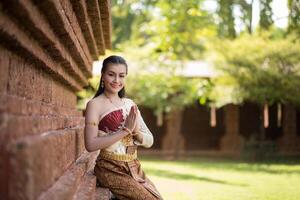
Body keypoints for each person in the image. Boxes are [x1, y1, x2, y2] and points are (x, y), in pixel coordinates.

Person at [84, 55, 163, 200]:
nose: (116, 81)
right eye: (111, 75)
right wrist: (124, 131)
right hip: (109, 168)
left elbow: (150, 140)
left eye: (121, 76)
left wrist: (136, 132)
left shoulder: (129, 104)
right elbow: (90, 144)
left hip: (134, 165)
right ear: (102, 75)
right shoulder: (94, 105)